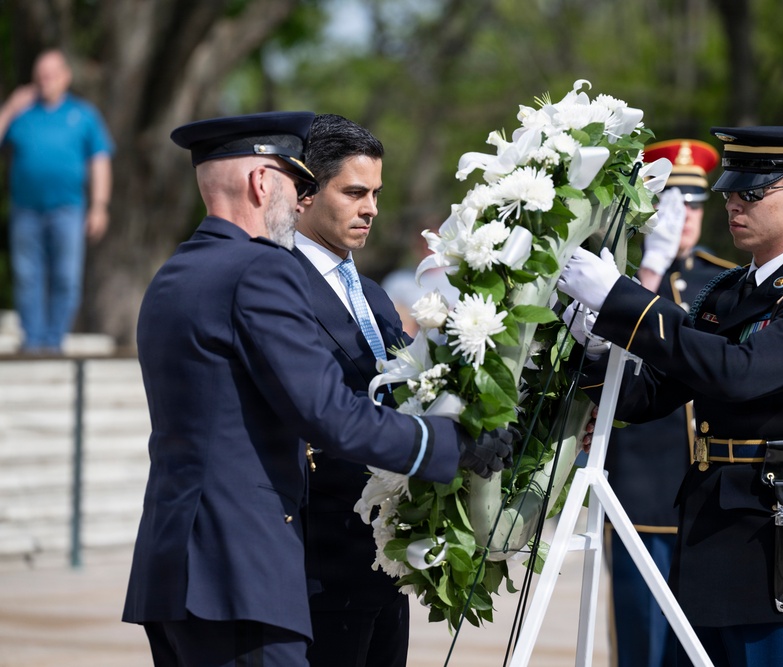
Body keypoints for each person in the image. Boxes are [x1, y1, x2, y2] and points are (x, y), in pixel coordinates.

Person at [121, 111, 512, 666]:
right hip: (245, 571)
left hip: (179, 571)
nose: (299, 198)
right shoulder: (259, 270)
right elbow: (327, 412)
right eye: (295, 182)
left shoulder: (175, 274)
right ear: (263, 182)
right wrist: (452, 444)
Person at [558, 126, 783, 667]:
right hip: (707, 524)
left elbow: (737, 374)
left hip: (773, 530)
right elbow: (653, 395)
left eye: (752, 193)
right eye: (732, 192)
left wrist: (625, 302)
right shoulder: (728, 291)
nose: (734, 205)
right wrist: (595, 347)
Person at [604, 139, 736, 667]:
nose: (684, 217)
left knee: (700, 642)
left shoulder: (726, 282)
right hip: (641, 483)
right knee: (642, 639)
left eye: (695, 204)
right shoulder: (623, 276)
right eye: (672, 203)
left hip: (705, 485)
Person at [292, 113, 411, 666]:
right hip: (320, 558)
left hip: (382, 558)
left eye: (377, 193)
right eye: (355, 192)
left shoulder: (370, 291)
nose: (371, 209)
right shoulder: (278, 283)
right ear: (305, 194)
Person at [0, 49, 113, 353]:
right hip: (25, 209)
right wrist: (10, 107)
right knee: (26, 276)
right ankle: (33, 342)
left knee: (66, 277)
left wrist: (99, 206)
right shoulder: (22, 113)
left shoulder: (84, 115)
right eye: (40, 75)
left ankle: (53, 342)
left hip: (68, 209)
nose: (44, 81)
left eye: (50, 74)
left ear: (66, 77)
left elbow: (99, 160)